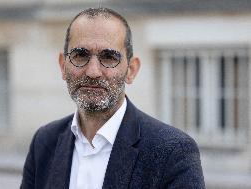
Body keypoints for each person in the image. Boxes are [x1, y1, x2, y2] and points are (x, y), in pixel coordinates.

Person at [20, 7, 205, 189]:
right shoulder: (44, 142)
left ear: (131, 70)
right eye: (80, 55)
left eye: (108, 57)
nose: (93, 72)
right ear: (63, 66)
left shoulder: (173, 151)